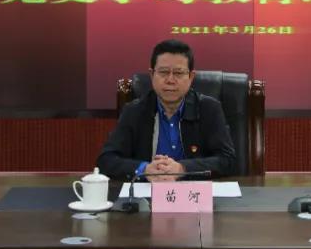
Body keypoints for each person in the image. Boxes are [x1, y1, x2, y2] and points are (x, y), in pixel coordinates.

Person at [97, 39, 236, 180]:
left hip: (193, 191)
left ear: (191, 77)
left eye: (178, 73)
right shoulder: (134, 111)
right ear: (152, 75)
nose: (170, 80)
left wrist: (183, 169)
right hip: (148, 190)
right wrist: (144, 169)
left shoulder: (209, 109)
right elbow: (106, 160)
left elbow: (227, 160)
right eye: (163, 72)